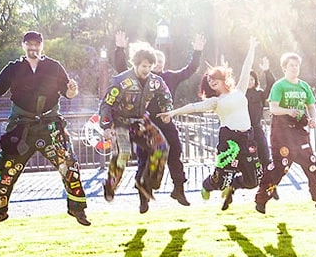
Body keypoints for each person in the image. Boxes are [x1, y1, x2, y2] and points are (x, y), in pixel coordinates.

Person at [0, 31, 90, 231]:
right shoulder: (13, 69)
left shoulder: (54, 66)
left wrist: (73, 90)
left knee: (69, 164)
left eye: (36, 44)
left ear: (42, 46)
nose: (33, 48)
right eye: (29, 44)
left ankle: (77, 208)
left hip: (51, 126)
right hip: (21, 128)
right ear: (23, 45)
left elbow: (68, 93)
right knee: (3, 167)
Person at [158, 37, 262, 211]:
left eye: (215, 79)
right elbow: (194, 107)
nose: (212, 82)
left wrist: (251, 47)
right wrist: (173, 112)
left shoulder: (239, 91)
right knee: (222, 181)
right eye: (209, 81)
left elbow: (246, 68)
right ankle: (208, 184)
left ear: (223, 79)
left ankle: (234, 186)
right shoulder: (215, 101)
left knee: (253, 181)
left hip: (247, 139)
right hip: (229, 142)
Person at [114, 31, 206, 209]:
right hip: (145, 125)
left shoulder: (170, 77)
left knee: (175, 152)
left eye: (160, 63)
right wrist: (119, 49)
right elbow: (121, 68)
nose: (156, 66)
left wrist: (197, 51)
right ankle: (143, 196)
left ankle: (178, 189)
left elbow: (189, 70)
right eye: (151, 64)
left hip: (165, 122)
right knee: (145, 158)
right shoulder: (139, 77)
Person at [254, 52, 316, 214]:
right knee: (279, 167)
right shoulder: (279, 86)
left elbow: (311, 106)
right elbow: (273, 108)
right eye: (291, 65)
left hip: (299, 131)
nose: (295, 68)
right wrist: (289, 111)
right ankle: (261, 199)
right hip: (282, 132)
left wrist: (312, 119)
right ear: (284, 68)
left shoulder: (303, 86)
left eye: (297, 65)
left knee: (311, 163)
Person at [99, 45, 173, 212]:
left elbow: (165, 96)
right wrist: (105, 126)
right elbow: (107, 103)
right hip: (120, 123)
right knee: (123, 153)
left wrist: (166, 110)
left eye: (149, 66)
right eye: (143, 66)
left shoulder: (156, 81)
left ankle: (146, 183)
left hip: (140, 121)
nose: (146, 69)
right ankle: (110, 185)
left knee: (161, 148)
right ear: (136, 64)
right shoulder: (121, 81)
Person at [246, 57, 276, 176]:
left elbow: (271, 85)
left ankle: (269, 185)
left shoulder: (260, 94)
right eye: (247, 79)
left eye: (252, 79)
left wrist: (267, 71)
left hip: (257, 129)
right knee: (245, 160)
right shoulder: (239, 94)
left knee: (265, 157)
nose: (249, 81)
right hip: (244, 131)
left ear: (255, 80)